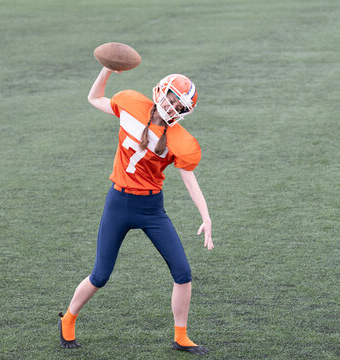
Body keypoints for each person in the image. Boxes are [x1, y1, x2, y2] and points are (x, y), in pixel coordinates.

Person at [58, 67, 213, 355]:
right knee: (100, 275)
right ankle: (68, 319)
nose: (173, 107)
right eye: (172, 99)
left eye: (180, 106)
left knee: (183, 272)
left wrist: (206, 216)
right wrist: (106, 69)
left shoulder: (181, 141)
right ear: (161, 91)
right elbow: (95, 98)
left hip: (152, 208)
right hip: (118, 202)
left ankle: (181, 336)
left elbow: (190, 180)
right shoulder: (131, 103)